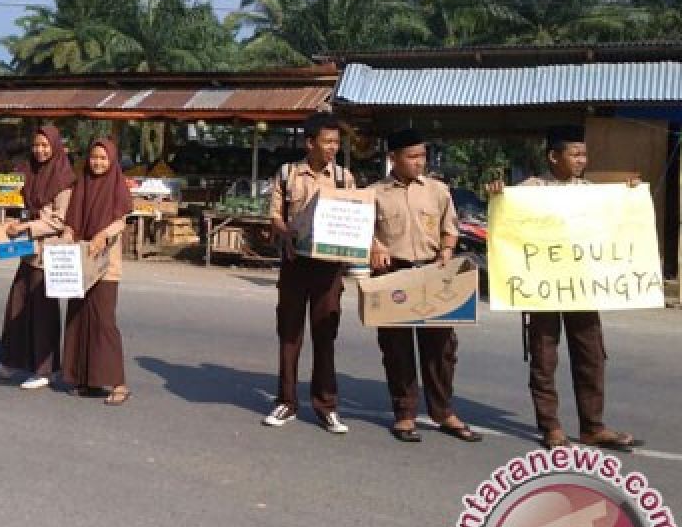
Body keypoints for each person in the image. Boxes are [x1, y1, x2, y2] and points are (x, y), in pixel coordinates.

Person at [486, 125, 642, 451]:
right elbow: (506, 222)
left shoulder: (589, 191)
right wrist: (497, 193)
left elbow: (615, 219)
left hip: (581, 287)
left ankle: (593, 427)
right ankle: (551, 428)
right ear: (553, 156)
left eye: (584, 154)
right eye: (574, 154)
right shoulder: (529, 190)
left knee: (591, 357)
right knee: (544, 359)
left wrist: (630, 196)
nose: (581, 160)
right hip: (542, 290)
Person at [369, 128, 481, 443]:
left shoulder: (438, 191)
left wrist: (446, 250)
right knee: (396, 349)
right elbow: (360, 233)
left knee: (442, 349)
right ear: (393, 158)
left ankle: (443, 411)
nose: (420, 162)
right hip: (393, 275)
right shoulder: (375, 193)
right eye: (412, 156)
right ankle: (404, 414)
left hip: (433, 273)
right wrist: (373, 244)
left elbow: (450, 229)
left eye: (423, 156)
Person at [263, 111, 354, 434]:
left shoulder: (344, 178)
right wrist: (285, 232)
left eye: (336, 143)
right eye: (327, 141)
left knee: (325, 336)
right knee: (289, 335)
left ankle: (326, 406)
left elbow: (354, 216)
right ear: (310, 142)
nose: (332, 148)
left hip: (329, 270)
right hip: (294, 265)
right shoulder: (287, 174)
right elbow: (275, 215)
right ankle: (286, 401)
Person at [0, 125, 74, 390]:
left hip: (48, 253)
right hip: (28, 250)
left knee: (43, 312)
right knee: (17, 306)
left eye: (45, 145)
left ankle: (46, 370)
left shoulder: (64, 178)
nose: (40, 150)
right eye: (36, 145)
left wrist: (26, 227)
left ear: (55, 146)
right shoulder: (32, 173)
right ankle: (9, 363)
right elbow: (29, 208)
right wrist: (17, 223)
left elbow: (58, 220)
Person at [61, 137, 133, 405]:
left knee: (103, 322)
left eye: (103, 158)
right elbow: (72, 218)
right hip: (80, 261)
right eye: (94, 157)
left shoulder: (116, 185)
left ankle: (119, 383)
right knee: (79, 319)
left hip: (105, 265)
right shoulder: (82, 184)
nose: (98, 163)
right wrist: (69, 233)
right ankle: (86, 379)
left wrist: (103, 234)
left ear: (112, 160)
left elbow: (121, 221)